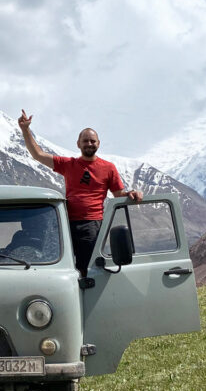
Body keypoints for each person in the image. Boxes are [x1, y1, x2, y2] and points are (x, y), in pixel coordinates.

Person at [17, 110, 142, 276]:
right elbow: (38, 155)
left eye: (92, 141)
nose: (89, 144)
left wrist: (133, 194)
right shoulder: (68, 164)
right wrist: (25, 129)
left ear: (98, 144)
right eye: (85, 141)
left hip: (92, 224)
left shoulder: (108, 168)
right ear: (78, 144)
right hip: (65, 223)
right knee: (62, 266)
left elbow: (119, 194)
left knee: (87, 268)